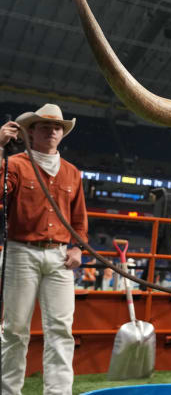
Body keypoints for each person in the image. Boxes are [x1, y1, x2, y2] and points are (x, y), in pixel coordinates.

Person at [0, 104, 88, 395]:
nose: (52, 131)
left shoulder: (73, 173)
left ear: (62, 134)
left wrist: (77, 249)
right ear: (31, 132)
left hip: (60, 257)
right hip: (20, 251)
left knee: (62, 330)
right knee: (14, 330)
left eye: (57, 127)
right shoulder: (13, 164)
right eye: (45, 126)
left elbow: (79, 220)